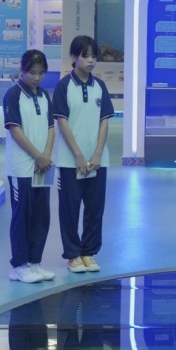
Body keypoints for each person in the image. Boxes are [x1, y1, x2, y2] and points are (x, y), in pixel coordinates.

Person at [53, 35, 114, 274]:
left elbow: (104, 121)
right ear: (74, 57)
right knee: (69, 209)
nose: (91, 61)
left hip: (98, 160)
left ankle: (89, 252)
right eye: (85, 56)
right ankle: (73, 254)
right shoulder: (64, 86)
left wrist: (97, 154)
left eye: (93, 56)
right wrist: (78, 156)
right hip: (70, 161)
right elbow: (62, 123)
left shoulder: (100, 86)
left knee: (95, 209)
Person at [3, 49, 57, 283]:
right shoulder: (13, 95)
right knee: (22, 216)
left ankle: (35, 262)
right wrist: (37, 156)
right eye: (32, 72)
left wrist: (46, 156)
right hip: (22, 168)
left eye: (41, 73)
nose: (36, 77)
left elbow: (51, 128)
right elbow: (15, 131)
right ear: (22, 71)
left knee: (41, 216)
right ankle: (19, 265)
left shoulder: (44, 95)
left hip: (42, 168)